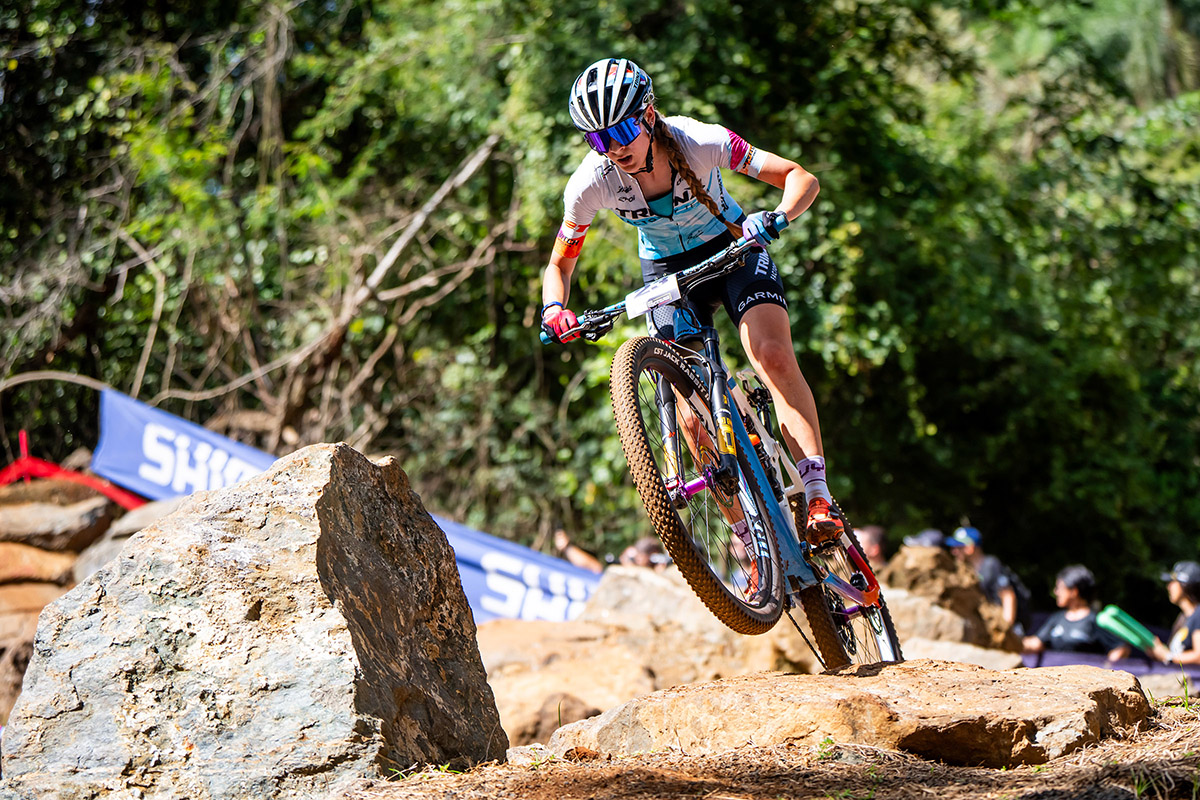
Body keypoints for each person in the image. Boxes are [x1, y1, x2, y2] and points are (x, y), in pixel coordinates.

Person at [539, 58, 836, 547]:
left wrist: (778, 215)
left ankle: (818, 492)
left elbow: (801, 178)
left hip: (733, 247)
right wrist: (554, 310)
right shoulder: (590, 183)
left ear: (649, 116)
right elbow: (559, 266)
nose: (614, 148)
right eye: (598, 140)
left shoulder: (699, 140)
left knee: (772, 355)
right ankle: (748, 537)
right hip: (667, 274)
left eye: (624, 129)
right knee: (689, 411)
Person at [1022, 565, 1129, 661]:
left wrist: (1107, 669)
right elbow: (1036, 643)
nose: (1056, 592)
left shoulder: (1096, 620)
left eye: (1059, 588)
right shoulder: (1057, 618)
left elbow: (1120, 648)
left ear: (1074, 591)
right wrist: (1011, 640)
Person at [946, 526, 1031, 634]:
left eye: (958, 547)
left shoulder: (990, 565)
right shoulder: (968, 570)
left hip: (1009, 628)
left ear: (970, 547)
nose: (954, 552)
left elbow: (1008, 596)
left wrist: (1006, 629)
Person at [1150, 560, 1200, 666]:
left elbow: (1199, 656)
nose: (1168, 587)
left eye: (1172, 582)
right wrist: (1159, 652)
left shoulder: (1198, 615)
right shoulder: (1183, 618)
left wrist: (1168, 656)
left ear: (1184, 584)